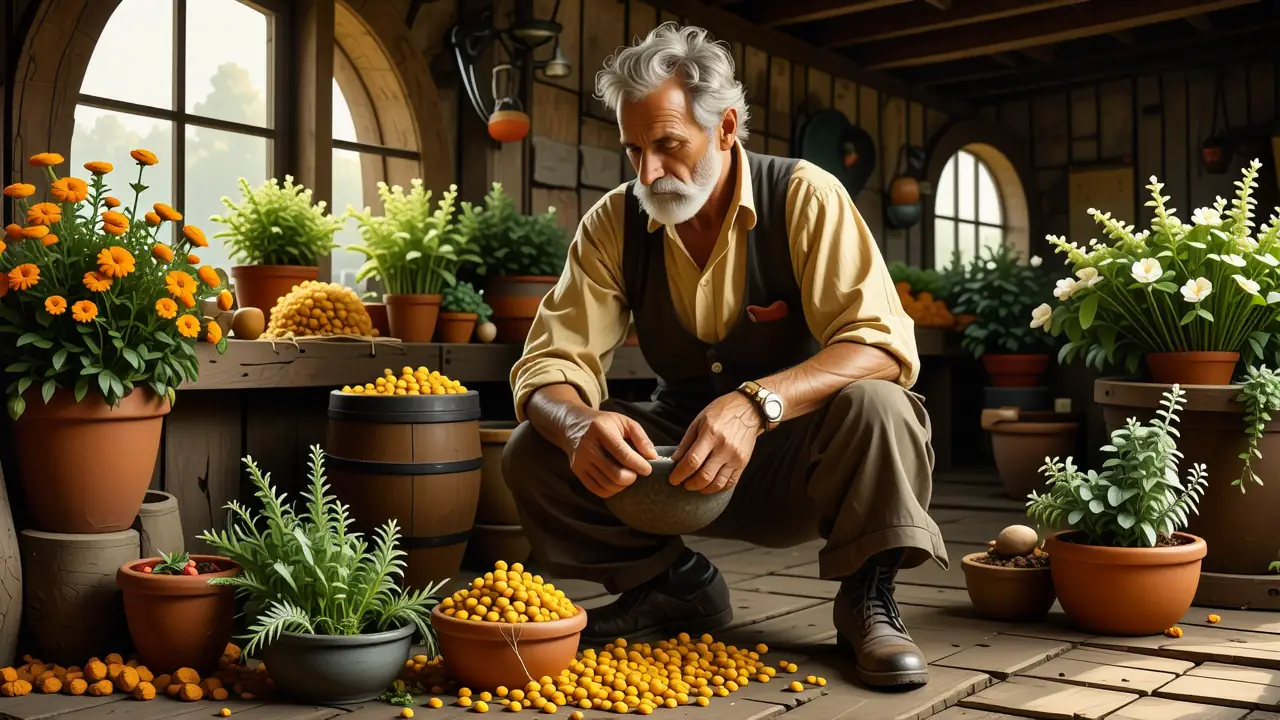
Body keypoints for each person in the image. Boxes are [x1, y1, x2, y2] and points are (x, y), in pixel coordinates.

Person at [502, 22, 947, 690]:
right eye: (633, 149)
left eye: (668, 145)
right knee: (532, 448)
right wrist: (575, 425)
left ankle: (867, 596)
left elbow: (882, 344)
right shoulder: (614, 222)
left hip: (801, 461)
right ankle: (672, 585)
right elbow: (547, 364)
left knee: (882, 405)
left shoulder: (804, 195)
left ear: (727, 128)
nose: (649, 170)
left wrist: (756, 404)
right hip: (675, 464)